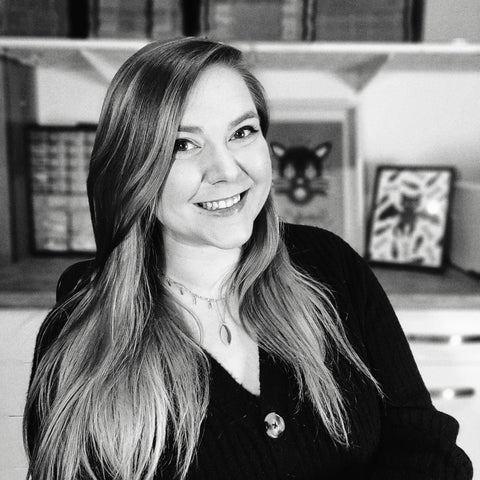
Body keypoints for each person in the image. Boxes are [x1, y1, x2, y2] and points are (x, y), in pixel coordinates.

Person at [24, 37, 472, 480]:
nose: (227, 170)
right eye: (183, 144)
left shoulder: (327, 265)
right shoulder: (81, 338)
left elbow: (427, 447)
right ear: (133, 168)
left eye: (242, 133)